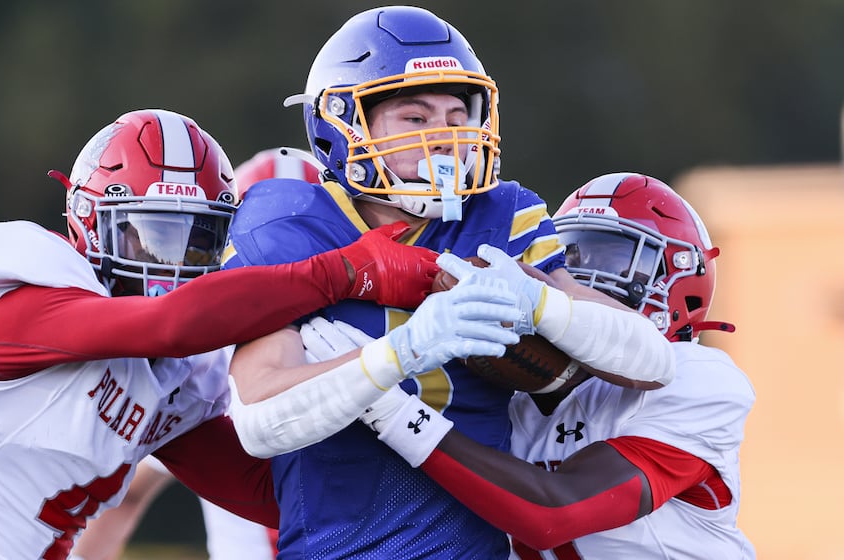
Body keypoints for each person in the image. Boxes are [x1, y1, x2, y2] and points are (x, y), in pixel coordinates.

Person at [0, 109, 456, 560]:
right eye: (149, 236)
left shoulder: (174, 379)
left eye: (194, 243)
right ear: (88, 220)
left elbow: (280, 492)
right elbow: (167, 325)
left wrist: (444, 456)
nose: (168, 268)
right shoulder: (22, 299)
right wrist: (348, 270)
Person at [220, 6, 678, 558]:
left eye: (458, 115)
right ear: (338, 124)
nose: (445, 138)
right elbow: (261, 423)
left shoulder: (502, 218)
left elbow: (654, 361)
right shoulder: (291, 221)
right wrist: (402, 353)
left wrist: (541, 304)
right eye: (414, 119)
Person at [348, 173, 756, 557]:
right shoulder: (501, 391)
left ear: (681, 281)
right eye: (569, 257)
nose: (581, 277)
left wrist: (396, 413)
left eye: (613, 259)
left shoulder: (698, 378)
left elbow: (556, 513)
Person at [70, 146, 324, 560]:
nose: (287, 257)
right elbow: (126, 493)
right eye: (272, 236)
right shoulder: (202, 357)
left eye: (303, 235)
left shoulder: (205, 352)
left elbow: (126, 495)